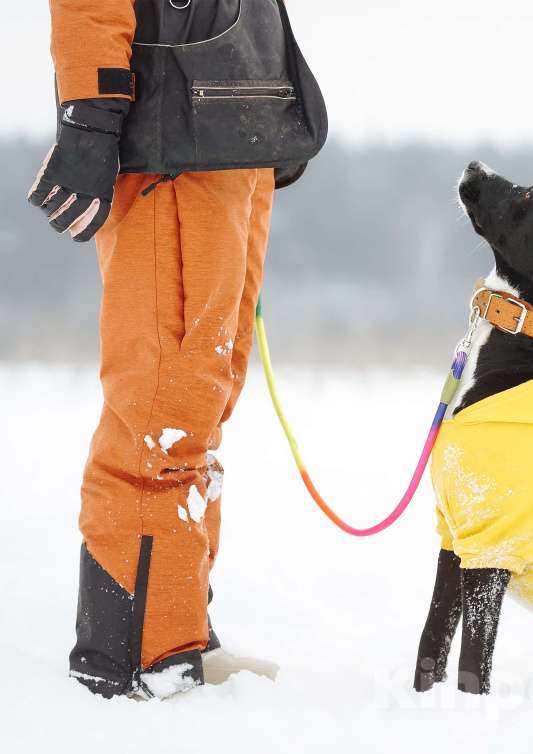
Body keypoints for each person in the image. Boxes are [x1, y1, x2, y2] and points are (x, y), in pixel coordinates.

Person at [28, 0, 289, 699]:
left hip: (233, 126)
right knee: (161, 408)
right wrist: (90, 112)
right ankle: (132, 655)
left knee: (203, 401)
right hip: (169, 135)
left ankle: (177, 634)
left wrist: (273, 103)